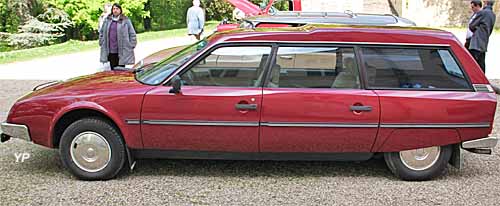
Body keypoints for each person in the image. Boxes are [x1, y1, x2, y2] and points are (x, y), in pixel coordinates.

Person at [99, 3, 137, 70]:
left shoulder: (125, 20)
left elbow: (132, 33)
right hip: (111, 51)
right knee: (113, 70)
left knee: (121, 70)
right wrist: (101, 42)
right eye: (114, 9)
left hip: (122, 50)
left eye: (117, 9)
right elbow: (101, 32)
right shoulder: (107, 20)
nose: (115, 10)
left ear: (120, 10)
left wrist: (131, 44)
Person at [468, 0, 496, 73]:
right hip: (484, 42)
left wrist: (477, 28)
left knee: (473, 64)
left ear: (485, 2)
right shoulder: (493, 14)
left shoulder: (483, 13)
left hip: (476, 42)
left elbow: (471, 26)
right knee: (481, 65)